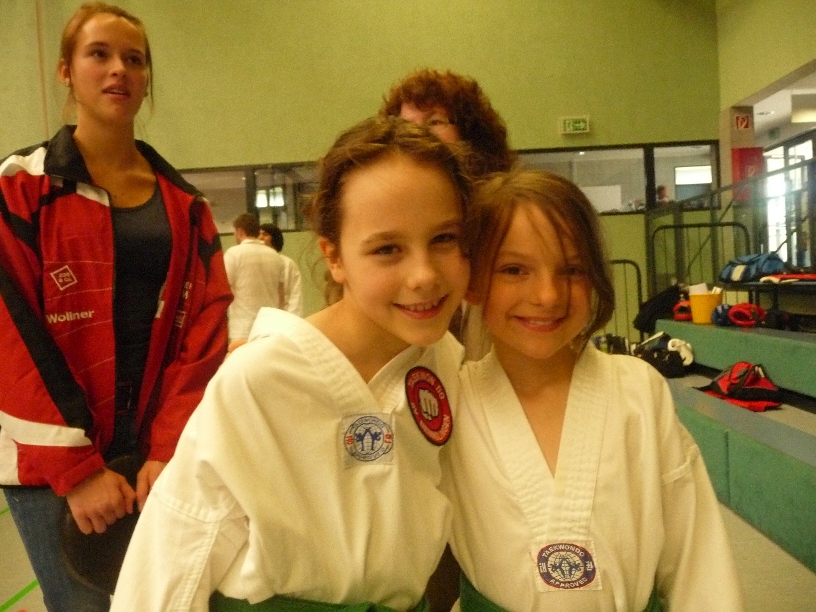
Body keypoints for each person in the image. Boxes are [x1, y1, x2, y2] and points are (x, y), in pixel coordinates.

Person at [111, 115, 472, 610]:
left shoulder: (444, 361)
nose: (424, 275)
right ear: (335, 258)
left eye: (444, 239)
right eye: (387, 249)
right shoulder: (259, 377)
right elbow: (180, 541)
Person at [0, 3, 231, 611]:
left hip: (156, 459)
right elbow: (9, 335)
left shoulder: (186, 205)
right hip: (53, 468)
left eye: (134, 59)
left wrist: (168, 446)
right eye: (98, 54)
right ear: (65, 70)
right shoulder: (19, 187)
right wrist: (77, 468)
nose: (118, 70)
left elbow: (204, 331)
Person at [442, 168, 745, 611]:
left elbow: (695, 554)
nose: (548, 295)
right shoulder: (451, 399)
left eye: (572, 269)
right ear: (471, 281)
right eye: (514, 269)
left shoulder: (637, 389)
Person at [224, 213, 286, 342]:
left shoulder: (233, 254)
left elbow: (224, 289)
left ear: (240, 231)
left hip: (242, 328)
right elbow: (281, 295)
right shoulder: (275, 256)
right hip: (269, 327)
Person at [259, 222, 304, 316]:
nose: (260, 237)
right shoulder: (255, 263)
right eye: (259, 234)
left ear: (274, 238)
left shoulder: (288, 263)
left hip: (283, 315)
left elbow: (295, 295)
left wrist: (291, 319)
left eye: (265, 234)